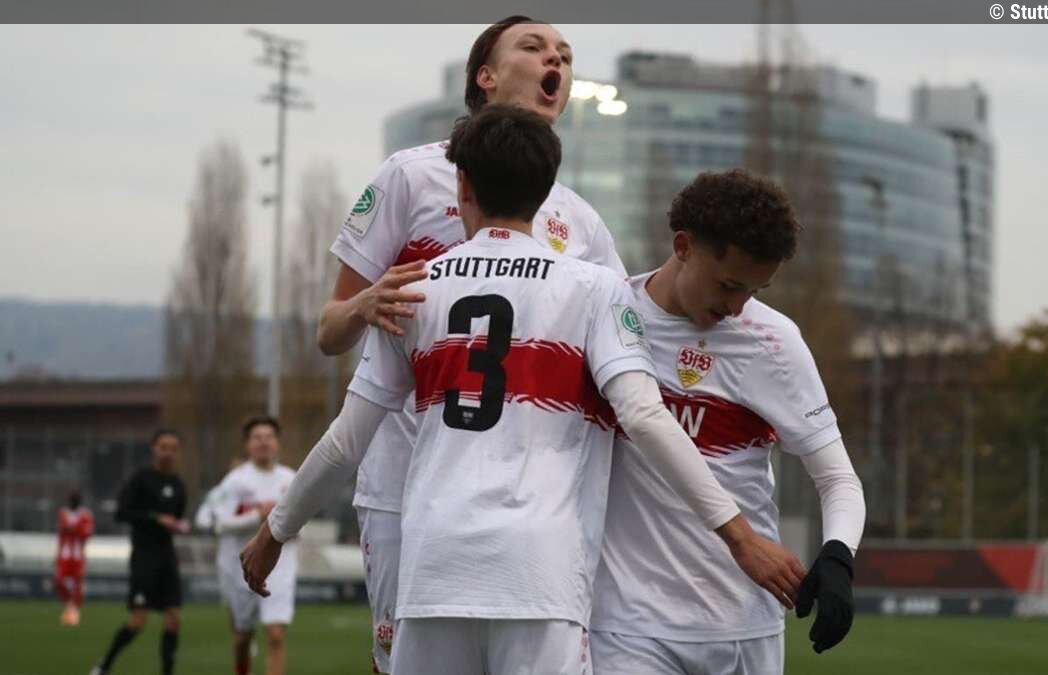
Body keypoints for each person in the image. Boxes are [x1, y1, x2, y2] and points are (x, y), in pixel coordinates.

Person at [242, 105, 803, 675]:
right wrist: (740, 538)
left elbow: (346, 442)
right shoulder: (596, 289)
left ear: (463, 186)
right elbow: (646, 417)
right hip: (541, 576)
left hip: (434, 567)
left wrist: (276, 530)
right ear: (547, 191)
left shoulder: (411, 291)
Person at [318, 17, 624, 673]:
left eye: (565, 55)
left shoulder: (581, 220)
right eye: (534, 48)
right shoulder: (409, 176)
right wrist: (364, 307)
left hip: (527, 508)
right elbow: (328, 329)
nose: (555, 61)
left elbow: (622, 353)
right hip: (404, 481)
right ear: (485, 76)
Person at [587, 170, 866, 674]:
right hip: (627, 625)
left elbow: (837, 477)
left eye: (754, 291)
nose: (737, 308)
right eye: (729, 285)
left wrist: (839, 555)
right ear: (683, 246)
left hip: (745, 624)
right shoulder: (608, 316)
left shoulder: (774, 341)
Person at [91, 429, 188, 675]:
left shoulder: (178, 485)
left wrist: (178, 525)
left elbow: (177, 517)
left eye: (173, 448)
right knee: (138, 622)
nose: (168, 453)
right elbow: (121, 513)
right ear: (154, 448)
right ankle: (104, 665)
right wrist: (156, 518)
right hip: (144, 557)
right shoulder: (140, 479)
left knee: (174, 619)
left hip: (167, 558)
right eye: (163, 447)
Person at [213, 416, 297, 675]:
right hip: (243, 567)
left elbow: (301, 523)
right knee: (242, 638)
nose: (264, 442)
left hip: (281, 566)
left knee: (275, 634)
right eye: (257, 437)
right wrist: (257, 516)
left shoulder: (292, 479)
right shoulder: (235, 481)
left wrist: (281, 522)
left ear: (278, 443)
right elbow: (221, 524)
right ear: (247, 444)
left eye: (269, 437)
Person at [54, 489, 94, 626]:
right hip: (64, 554)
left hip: (78, 555)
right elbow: (62, 529)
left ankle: (74, 612)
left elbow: (86, 533)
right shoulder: (63, 513)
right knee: (58, 580)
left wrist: (72, 529)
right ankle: (69, 605)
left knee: (78, 584)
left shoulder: (86, 514)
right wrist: (75, 529)